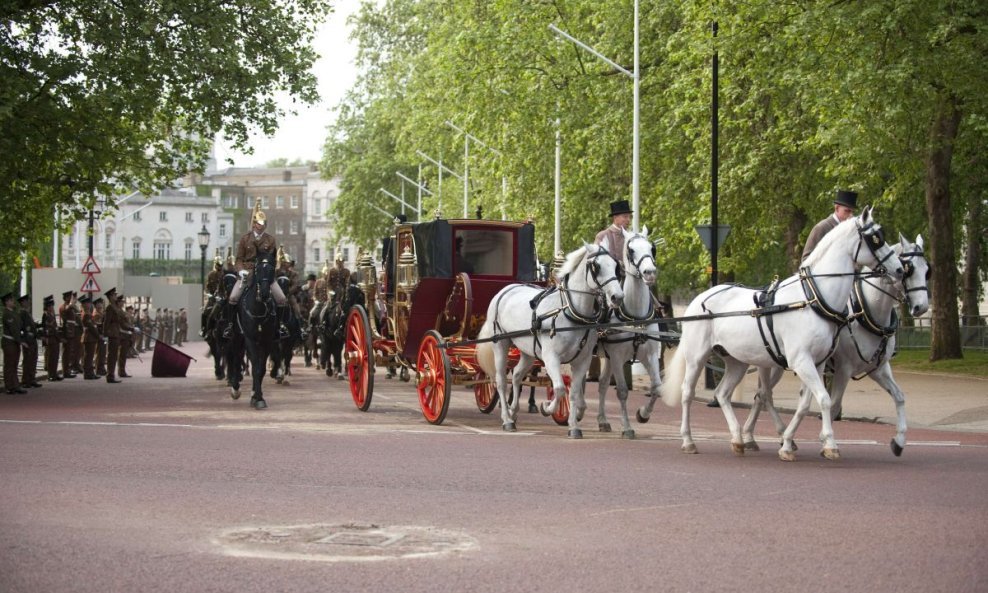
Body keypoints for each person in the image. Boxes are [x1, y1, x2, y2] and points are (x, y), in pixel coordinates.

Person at [225, 200, 286, 337]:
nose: (261, 226)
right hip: (247, 273)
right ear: (254, 224)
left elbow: (272, 259)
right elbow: (239, 259)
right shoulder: (245, 239)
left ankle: (280, 326)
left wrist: (269, 270)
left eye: (263, 224)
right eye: (259, 224)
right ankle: (230, 326)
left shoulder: (270, 240)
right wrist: (240, 270)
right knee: (233, 297)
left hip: (264, 273)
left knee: (281, 298)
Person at [801, 190, 858, 262]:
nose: (851, 215)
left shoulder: (851, 231)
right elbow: (806, 259)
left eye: (852, 212)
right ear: (837, 208)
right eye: (847, 211)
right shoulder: (821, 228)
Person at [594, 199, 633, 265]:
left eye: (629, 217)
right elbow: (597, 261)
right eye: (625, 216)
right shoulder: (602, 236)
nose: (628, 220)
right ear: (615, 218)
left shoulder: (631, 236)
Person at [2, 292, 27, 394]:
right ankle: (9, 386)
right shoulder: (7, 313)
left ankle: (15, 385)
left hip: (14, 342)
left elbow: (20, 326)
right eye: (11, 300)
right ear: (7, 302)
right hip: (9, 342)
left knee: (14, 364)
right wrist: (21, 341)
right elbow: (13, 329)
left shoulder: (13, 312)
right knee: (9, 364)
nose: (13, 302)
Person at [17, 294, 41, 389]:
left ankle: (31, 379)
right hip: (27, 340)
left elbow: (32, 326)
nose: (28, 303)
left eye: (28, 301)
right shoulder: (21, 314)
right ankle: (26, 380)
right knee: (28, 360)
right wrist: (23, 340)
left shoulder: (27, 313)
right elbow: (21, 328)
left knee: (33, 360)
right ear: (22, 303)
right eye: (26, 301)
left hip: (32, 340)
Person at [102, 287, 124, 384]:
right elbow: (106, 323)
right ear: (110, 297)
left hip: (116, 333)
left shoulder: (114, 307)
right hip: (112, 334)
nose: (116, 296)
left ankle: (111, 375)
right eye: (114, 295)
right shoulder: (110, 307)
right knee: (111, 356)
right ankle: (110, 376)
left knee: (114, 356)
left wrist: (131, 328)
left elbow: (120, 322)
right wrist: (105, 334)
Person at [41, 295, 62, 382]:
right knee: (51, 357)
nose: (51, 307)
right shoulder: (46, 315)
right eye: (50, 306)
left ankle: (54, 373)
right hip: (50, 338)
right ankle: (50, 375)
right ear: (47, 307)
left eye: (52, 306)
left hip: (55, 338)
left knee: (55, 357)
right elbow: (46, 328)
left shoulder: (52, 315)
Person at [59, 290, 78, 379]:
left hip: (71, 332)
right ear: (66, 298)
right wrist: (71, 304)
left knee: (70, 352)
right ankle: (65, 371)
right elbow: (66, 310)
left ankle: (68, 370)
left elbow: (77, 310)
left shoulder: (71, 307)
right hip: (66, 332)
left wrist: (72, 304)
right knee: (66, 353)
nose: (72, 299)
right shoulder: (63, 307)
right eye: (70, 297)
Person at [80, 295, 100, 379]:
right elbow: (91, 327)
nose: (89, 305)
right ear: (84, 305)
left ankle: (91, 372)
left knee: (90, 356)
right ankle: (88, 373)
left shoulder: (88, 314)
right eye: (87, 303)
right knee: (88, 356)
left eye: (89, 303)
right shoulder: (86, 315)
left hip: (91, 337)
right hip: (89, 337)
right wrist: (98, 336)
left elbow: (93, 325)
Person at [117, 298, 134, 378]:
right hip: (122, 336)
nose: (123, 303)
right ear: (119, 302)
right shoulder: (119, 312)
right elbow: (122, 325)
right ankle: (121, 371)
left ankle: (122, 370)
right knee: (122, 355)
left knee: (123, 355)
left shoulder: (122, 312)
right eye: (122, 301)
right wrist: (131, 329)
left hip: (126, 335)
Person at [93, 298, 107, 376]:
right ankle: (98, 369)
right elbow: (98, 326)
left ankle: (102, 368)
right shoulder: (96, 314)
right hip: (99, 336)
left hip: (103, 335)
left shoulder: (100, 313)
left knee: (103, 353)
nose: (101, 305)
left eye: (101, 304)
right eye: (100, 304)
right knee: (99, 352)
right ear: (96, 305)